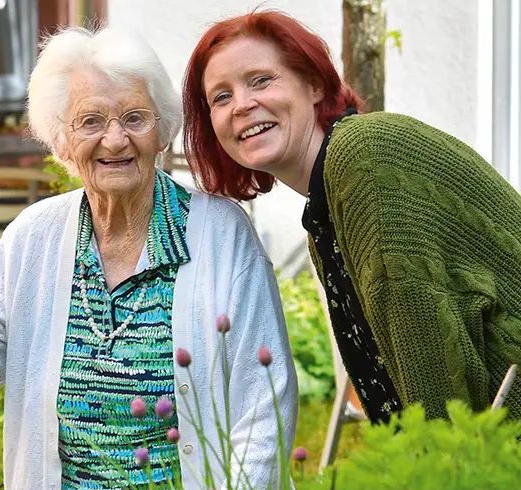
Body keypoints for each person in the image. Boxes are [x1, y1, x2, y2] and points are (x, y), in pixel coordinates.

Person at [0, 26, 299, 490]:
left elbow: (264, 403)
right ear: (61, 141)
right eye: (90, 121)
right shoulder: (34, 238)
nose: (114, 140)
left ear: (162, 131)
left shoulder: (220, 236)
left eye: (134, 118)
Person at [182, 10, 521, 425]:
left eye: (261, 80)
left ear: (314, 85)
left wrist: (438, 464)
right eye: (221, 97)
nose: (242, 105)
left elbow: (429, 361)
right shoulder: (325, 205)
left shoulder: (364, 157)